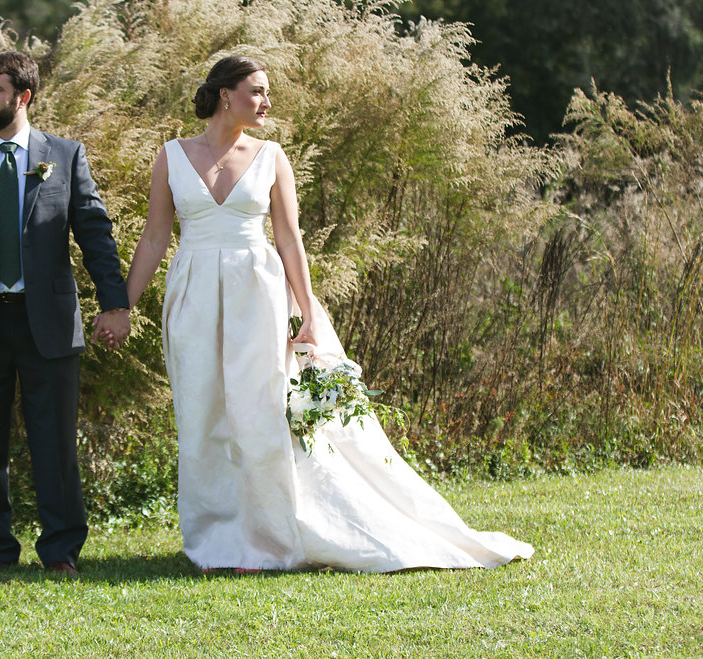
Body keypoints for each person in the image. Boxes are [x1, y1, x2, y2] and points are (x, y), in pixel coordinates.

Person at [120, 55, 534, 572]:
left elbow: (290, 240)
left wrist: (309, 315)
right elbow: (156, 235)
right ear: (226, 94)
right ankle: (214, 540)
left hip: (257, 294)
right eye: (257, 91)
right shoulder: (172, 156)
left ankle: (267, 539)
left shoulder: (271, 156)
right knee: (201, 413)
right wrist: (122, 306)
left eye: (267, 93)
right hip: (193, 293)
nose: (267, 102)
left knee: (260, 415)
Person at [0, 51, 130, 575]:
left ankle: (60, 551)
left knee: (54, 443)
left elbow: (95, 235)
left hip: (49, 323)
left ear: (23, 96)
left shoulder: (66, 155)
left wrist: (115, 303)